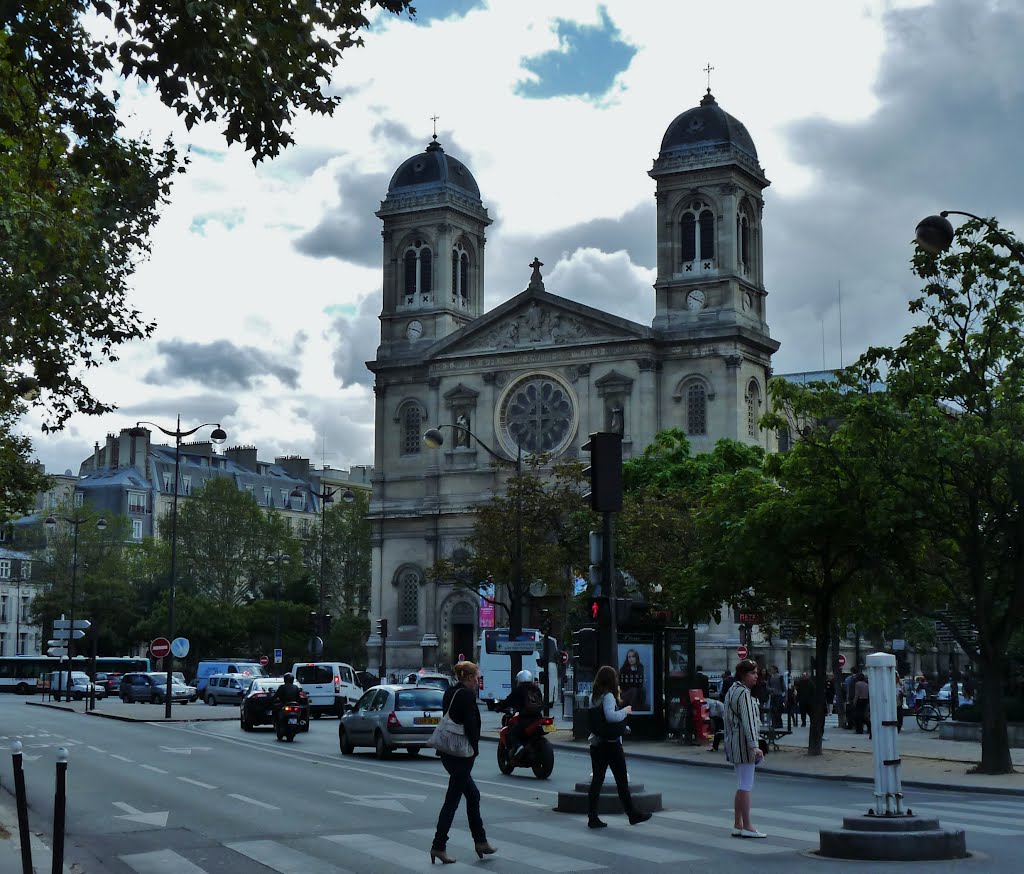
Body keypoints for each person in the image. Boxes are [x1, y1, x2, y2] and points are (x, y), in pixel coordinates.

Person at [430, 661, 496, 864]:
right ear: (468, 677)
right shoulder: (467, 695)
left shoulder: (450, 692)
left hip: (448, 753)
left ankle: (481, 841)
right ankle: (438, 846)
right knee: (452, 800)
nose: (478, 681)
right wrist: (474, 749)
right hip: (461, 754)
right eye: (476, 677)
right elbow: (470, 724)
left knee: (473, 795)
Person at [587, 665, 651, 829]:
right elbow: (610, 717)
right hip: (611, 745)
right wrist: (625, 711)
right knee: (621, 781)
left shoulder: (594, 697)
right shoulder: (608, 696)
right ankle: (632, 814)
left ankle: (592, 816)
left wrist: (623, 727)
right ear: (611, 680)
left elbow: (601, 720)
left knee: (597, 781)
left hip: (597, 744)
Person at [724, 658, 766, 838]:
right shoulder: (744, 694)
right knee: (746, 785)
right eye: (753, 673)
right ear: (743, 674)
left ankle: (738, 823)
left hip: (734, 742)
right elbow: (749, 722)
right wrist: (755, 746)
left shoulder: (732, 691)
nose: (756, 676)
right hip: (744, 744)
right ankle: (748, 826)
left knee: (741, 784)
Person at [497, 669, 542, 757]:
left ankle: (518, 747)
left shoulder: (519, 690)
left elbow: (508, 701)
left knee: (511, 734)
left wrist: (499, 706)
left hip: (525, 719)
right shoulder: (536, 690)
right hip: (538, 718)